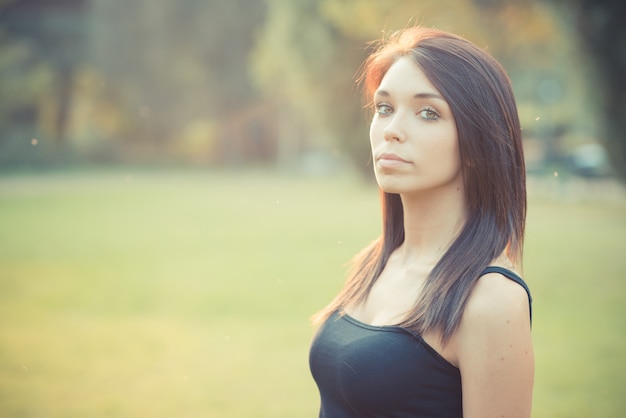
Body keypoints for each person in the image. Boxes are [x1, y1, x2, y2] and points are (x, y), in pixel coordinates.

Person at [309, 26, 533, 418]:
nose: (392, 130)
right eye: (384, 108)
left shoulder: (489, 300)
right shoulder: (376, 261)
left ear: (477, 144)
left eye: (428, 113)